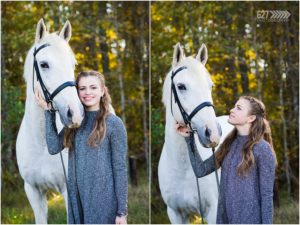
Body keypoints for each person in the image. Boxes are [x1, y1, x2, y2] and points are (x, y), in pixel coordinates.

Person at [35, 70, 128, 224]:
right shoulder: (75, 122)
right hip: (77, 201)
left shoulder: (114, 124)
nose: (87, 92)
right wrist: (49, 111)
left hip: (104, 203)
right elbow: (53, 147)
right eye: (82, 88)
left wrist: (122, 212)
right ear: (77, 92)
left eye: (93, 87)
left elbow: (120, 169)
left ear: (102, 91)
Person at [176, 96, 277, 224]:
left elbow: (267, 196)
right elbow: (201, 170)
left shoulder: (263, 149)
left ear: (251, 118)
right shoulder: (228, 144)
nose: (232, 110)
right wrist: (189, 138)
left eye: (238, 108)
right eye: (234, 106)